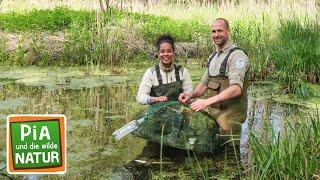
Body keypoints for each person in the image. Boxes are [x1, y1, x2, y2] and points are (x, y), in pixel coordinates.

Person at [178, 18, 249, 142]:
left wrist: (206, 102)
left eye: (219, 31)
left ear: (228, 31)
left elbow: (236, 89)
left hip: (231, 117)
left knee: (230, 155)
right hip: (215, 113)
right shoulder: (213, 57)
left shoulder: (237, 56)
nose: (216, 35)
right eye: (213, 31)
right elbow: (204, 84)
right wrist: (190, 95)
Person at [136, 34, 193, 104]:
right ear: (158, 54)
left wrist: (186, 97)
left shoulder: (182, 71)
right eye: (162, 51)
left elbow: (190, 95)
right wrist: (154, 99)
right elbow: (140, 97)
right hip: (157, 113)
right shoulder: (151, 72)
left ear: (173, 53)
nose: (166, 54)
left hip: (179, 112)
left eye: (169, 51)